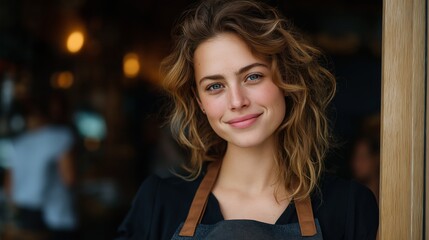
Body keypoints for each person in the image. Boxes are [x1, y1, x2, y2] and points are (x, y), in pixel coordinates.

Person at [116, 0, 379, 239]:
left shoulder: (348, 207)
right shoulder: (158, 203)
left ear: (286, 80)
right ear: (200, 103)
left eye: (252, 76)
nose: (237, 101)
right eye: (215, 86)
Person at [6, 94, 77, 240]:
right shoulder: (60, 137)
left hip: (26, 215)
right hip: (56, 215)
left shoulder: (18, 144)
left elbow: (9, 187)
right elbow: (69, 178)